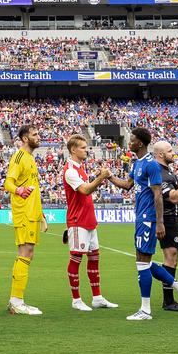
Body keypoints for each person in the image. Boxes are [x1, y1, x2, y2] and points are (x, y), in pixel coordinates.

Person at [105, 128, 178, 321]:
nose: (130, 142)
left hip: (149, 218)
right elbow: (128, 185)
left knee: (142, 262)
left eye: (133, 140)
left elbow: (157, 195)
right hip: (141, 217)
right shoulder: (137, 164)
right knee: (143, 261)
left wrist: (160, 222)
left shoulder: (151, 165)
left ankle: (145, 310)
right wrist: (109, 176)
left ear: (141, 143)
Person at [60, 134, 117, 312]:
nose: (87, 150)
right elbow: (85, 190)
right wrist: (101, 178)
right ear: (73, 150)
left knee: (94, 258)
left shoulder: (80, 168)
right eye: (83, 147)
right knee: (76, 258)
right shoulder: (70, 170)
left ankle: (97, 297)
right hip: (77, 221)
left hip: (89, 219)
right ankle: (76, 300)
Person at [4, 124, 45, 315]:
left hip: (32, 213)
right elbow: (8, 183)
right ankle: (16, 301)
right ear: (25, 138)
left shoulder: (30, 158)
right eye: (35, 134)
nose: (39, 136)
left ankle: (17, 300)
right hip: (23, 213)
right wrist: (19, 190)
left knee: (28, 253)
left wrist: (41, 214)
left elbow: (34, 187)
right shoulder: (19, 157)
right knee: (24, 252)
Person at [153, 140, 178, 312]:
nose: (173, 153)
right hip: (165, 220)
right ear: (160, 154)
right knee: (170, 257)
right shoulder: (160, 173)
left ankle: (169, 299)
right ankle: (168, 301)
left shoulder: (168, 172)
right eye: (169, 151)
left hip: (172, 219)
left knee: (173, 258)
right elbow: (174, 197)